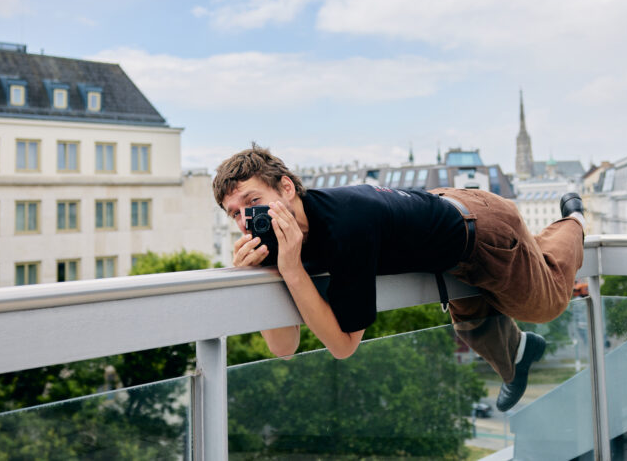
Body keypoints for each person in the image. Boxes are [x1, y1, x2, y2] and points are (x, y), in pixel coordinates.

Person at [216, 146, 585, 412]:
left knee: (546, 303)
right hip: (441, 235)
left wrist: (293, 271)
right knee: (474, 322)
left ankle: (573, 221)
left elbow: (344, 346)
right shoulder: (283, 240)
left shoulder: (345, 225)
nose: (247, 219)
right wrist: (258, 275)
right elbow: (284, 347)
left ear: (286, 188)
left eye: (253, 201)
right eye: (235, 214)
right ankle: (520, 353)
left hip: (482, 228)